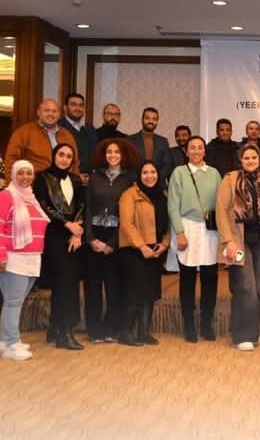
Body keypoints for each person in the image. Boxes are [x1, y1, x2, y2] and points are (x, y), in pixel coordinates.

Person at [215, 143, 260, 351]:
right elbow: (221, 211)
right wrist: (228, 241)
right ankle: (242, 336)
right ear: (240, 160)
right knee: (245, 287)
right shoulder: (229, 179)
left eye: (254, 157)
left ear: (259, 160)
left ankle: (253, 332)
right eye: (246, 158)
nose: (250, 161)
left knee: (256, 289)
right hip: (238, 241)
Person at [167, 136, 222, 342]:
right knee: (187, 279)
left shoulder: (214, 173)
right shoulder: (179, 173)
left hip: (210, 231)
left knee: (210, 278)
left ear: (205, 151)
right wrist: (179, 232)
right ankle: (189, 324)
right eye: (192, 148)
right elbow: (172, 205)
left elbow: (221, 203)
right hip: (187, 227)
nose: (196, 151)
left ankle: (206, 323)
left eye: (200, 148)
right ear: (186, 151)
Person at [84, 139, 138, 342]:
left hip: (117, 236)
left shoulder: (130, 178)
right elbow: (87, 208)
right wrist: (90, 238)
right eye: (109, 152)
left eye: (117, 152)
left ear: (123, 155)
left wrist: (112, 243)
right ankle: (94, 330)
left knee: (114, 287)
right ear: (103, 154)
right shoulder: (94, 177)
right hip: (94, 235)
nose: (113, 155)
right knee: (92, 287)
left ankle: (110, 329)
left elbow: (130, 214)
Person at [33, 143, 85, 350]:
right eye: (61, 154)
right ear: (54, 156)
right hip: (54, 236)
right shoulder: (42, 177)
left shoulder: (76, 179)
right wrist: (67, 224)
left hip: (74, 238)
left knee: (68, 284)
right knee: (63, 285)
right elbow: (42, 205)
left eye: (69, 156)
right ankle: (65, 333)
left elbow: (82, 205)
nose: (65, 159)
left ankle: (55, 329)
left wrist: (76, 231)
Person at [0, 161, 50, 360]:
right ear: (13, 175)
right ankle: (12, 344)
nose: (25, 177)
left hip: (32, 258)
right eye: (20, 173)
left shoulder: (31, 197)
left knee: (15, 302)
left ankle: (4, 340)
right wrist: (1, 256)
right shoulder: (6, 196)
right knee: (13, 302)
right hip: (14, 258)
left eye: (29, 173)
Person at [118, 161, 169, 346]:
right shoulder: (129, 195)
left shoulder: (163, 195)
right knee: (135, 292)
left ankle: (144, 333)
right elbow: (127, 224)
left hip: (155, 249)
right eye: (145, 172)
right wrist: (141, 246)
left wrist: (165, 244)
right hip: (134, 250)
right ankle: (125, 333)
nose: (149, 176)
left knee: (151, 292)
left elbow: (169, 222)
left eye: (153, 172)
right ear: (139, 175)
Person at [4, 98, 79, 182]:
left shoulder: (67, 135)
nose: (51, 114)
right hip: (33, 185)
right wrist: (13, 186)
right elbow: (10, 161)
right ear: (38, 113)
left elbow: (75, 163)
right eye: (46, 110)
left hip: (64, 185)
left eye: (54, 111)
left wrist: (75, 183)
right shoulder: (23, 132)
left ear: (59, 115)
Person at [58, 92, 98, 185]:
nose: (78, 108)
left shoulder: (90, 129)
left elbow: (95, 153)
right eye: (73, 104)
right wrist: (75, 176)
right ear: (65, 108)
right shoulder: (59, 128)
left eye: (81, 105)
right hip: (67, 180)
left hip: (90, 181)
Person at [127, 107, 173, 184]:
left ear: (157, 121)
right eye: (147, 118)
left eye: (154, 119)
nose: (151, 121)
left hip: (158, 185)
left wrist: (155, 179)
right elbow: (128, 163)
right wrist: (139, 179)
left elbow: (167, 165)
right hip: (135, 184)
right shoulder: (130, 140)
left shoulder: (163, 141)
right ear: (142, 119)